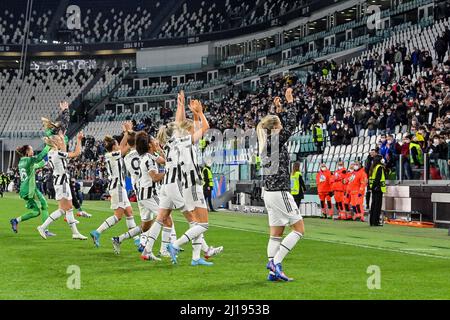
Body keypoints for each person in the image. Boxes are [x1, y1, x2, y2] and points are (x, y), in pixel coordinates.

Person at [140, 96, 223, 264]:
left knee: (162, 218)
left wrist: (182, 106)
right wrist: (198, 113)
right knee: (194, 221)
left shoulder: (171, 143)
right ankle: (188, 249)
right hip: (181, 184)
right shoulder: (183, 141)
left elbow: (182, 124)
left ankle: (150, 249)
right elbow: (203, 128)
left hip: (172, 184)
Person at [257, 87, 304, 282]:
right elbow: (292, 124)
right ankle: (275, 263)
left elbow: (281, 124)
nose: (283, 126)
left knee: (276, 234)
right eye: (280, 124)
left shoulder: (266, 141)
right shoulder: (274, 141)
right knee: (299, 229)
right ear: (275, 128)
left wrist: (278, 110)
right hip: (279, 192)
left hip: (269, 193)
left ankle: (272, 272)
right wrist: (290, 102)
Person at [112, 132, 165, 256]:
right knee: (165, 218)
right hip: (149, 193)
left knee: (146, 226)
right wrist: (169, 172)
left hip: (140, 192)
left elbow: (163, 161)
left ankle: (119, 239)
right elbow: (156, 175)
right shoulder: (148, 157)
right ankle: (163, 249)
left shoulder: (130, 157)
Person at [89, 122, 139, 248]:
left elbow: (125, 145)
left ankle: (137, 240)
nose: (119, 145)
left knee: (129, 213)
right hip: (118, 188)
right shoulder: (113, 155)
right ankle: (97, 232)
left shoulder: (111, 155)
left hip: (118, 187)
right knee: (118, 216)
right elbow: (125, 146)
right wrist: (128, 132)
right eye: (117, 144)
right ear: (114, 147)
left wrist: (128, 132)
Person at [37, 132, 87, 240]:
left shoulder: (51, 153)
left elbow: (63, 151)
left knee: (68, 209)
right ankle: (42, 227)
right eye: (59, 141)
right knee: (63, 209)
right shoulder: (57, 153)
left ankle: (75, 233)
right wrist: (79, 140)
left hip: (59, 182)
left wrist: (62, 138)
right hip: (62, 182)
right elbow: (77, 153)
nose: (61, 142)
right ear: (55, 143)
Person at [10, 143, 53, 235]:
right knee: (44, 206)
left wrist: (48, 155)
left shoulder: (23, 161)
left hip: (26, 189)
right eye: (31, 149)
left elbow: (40, 163)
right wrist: (48, 145)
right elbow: (39, 157)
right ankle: (45, 230)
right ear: (27, 152)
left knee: (36, 212)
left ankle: (15, 220)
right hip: (30, 189)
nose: (33, 151)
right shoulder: (28, 160)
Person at [369, 155, 386, 226]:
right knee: (377, 206)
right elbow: (378, 178)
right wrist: (375, 186)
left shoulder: (373, 167)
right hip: (378, 188)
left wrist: (372, 187)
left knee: (373, 205)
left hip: (373, 188)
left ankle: (372, 221)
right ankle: (376, 222)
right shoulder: (379, 167)